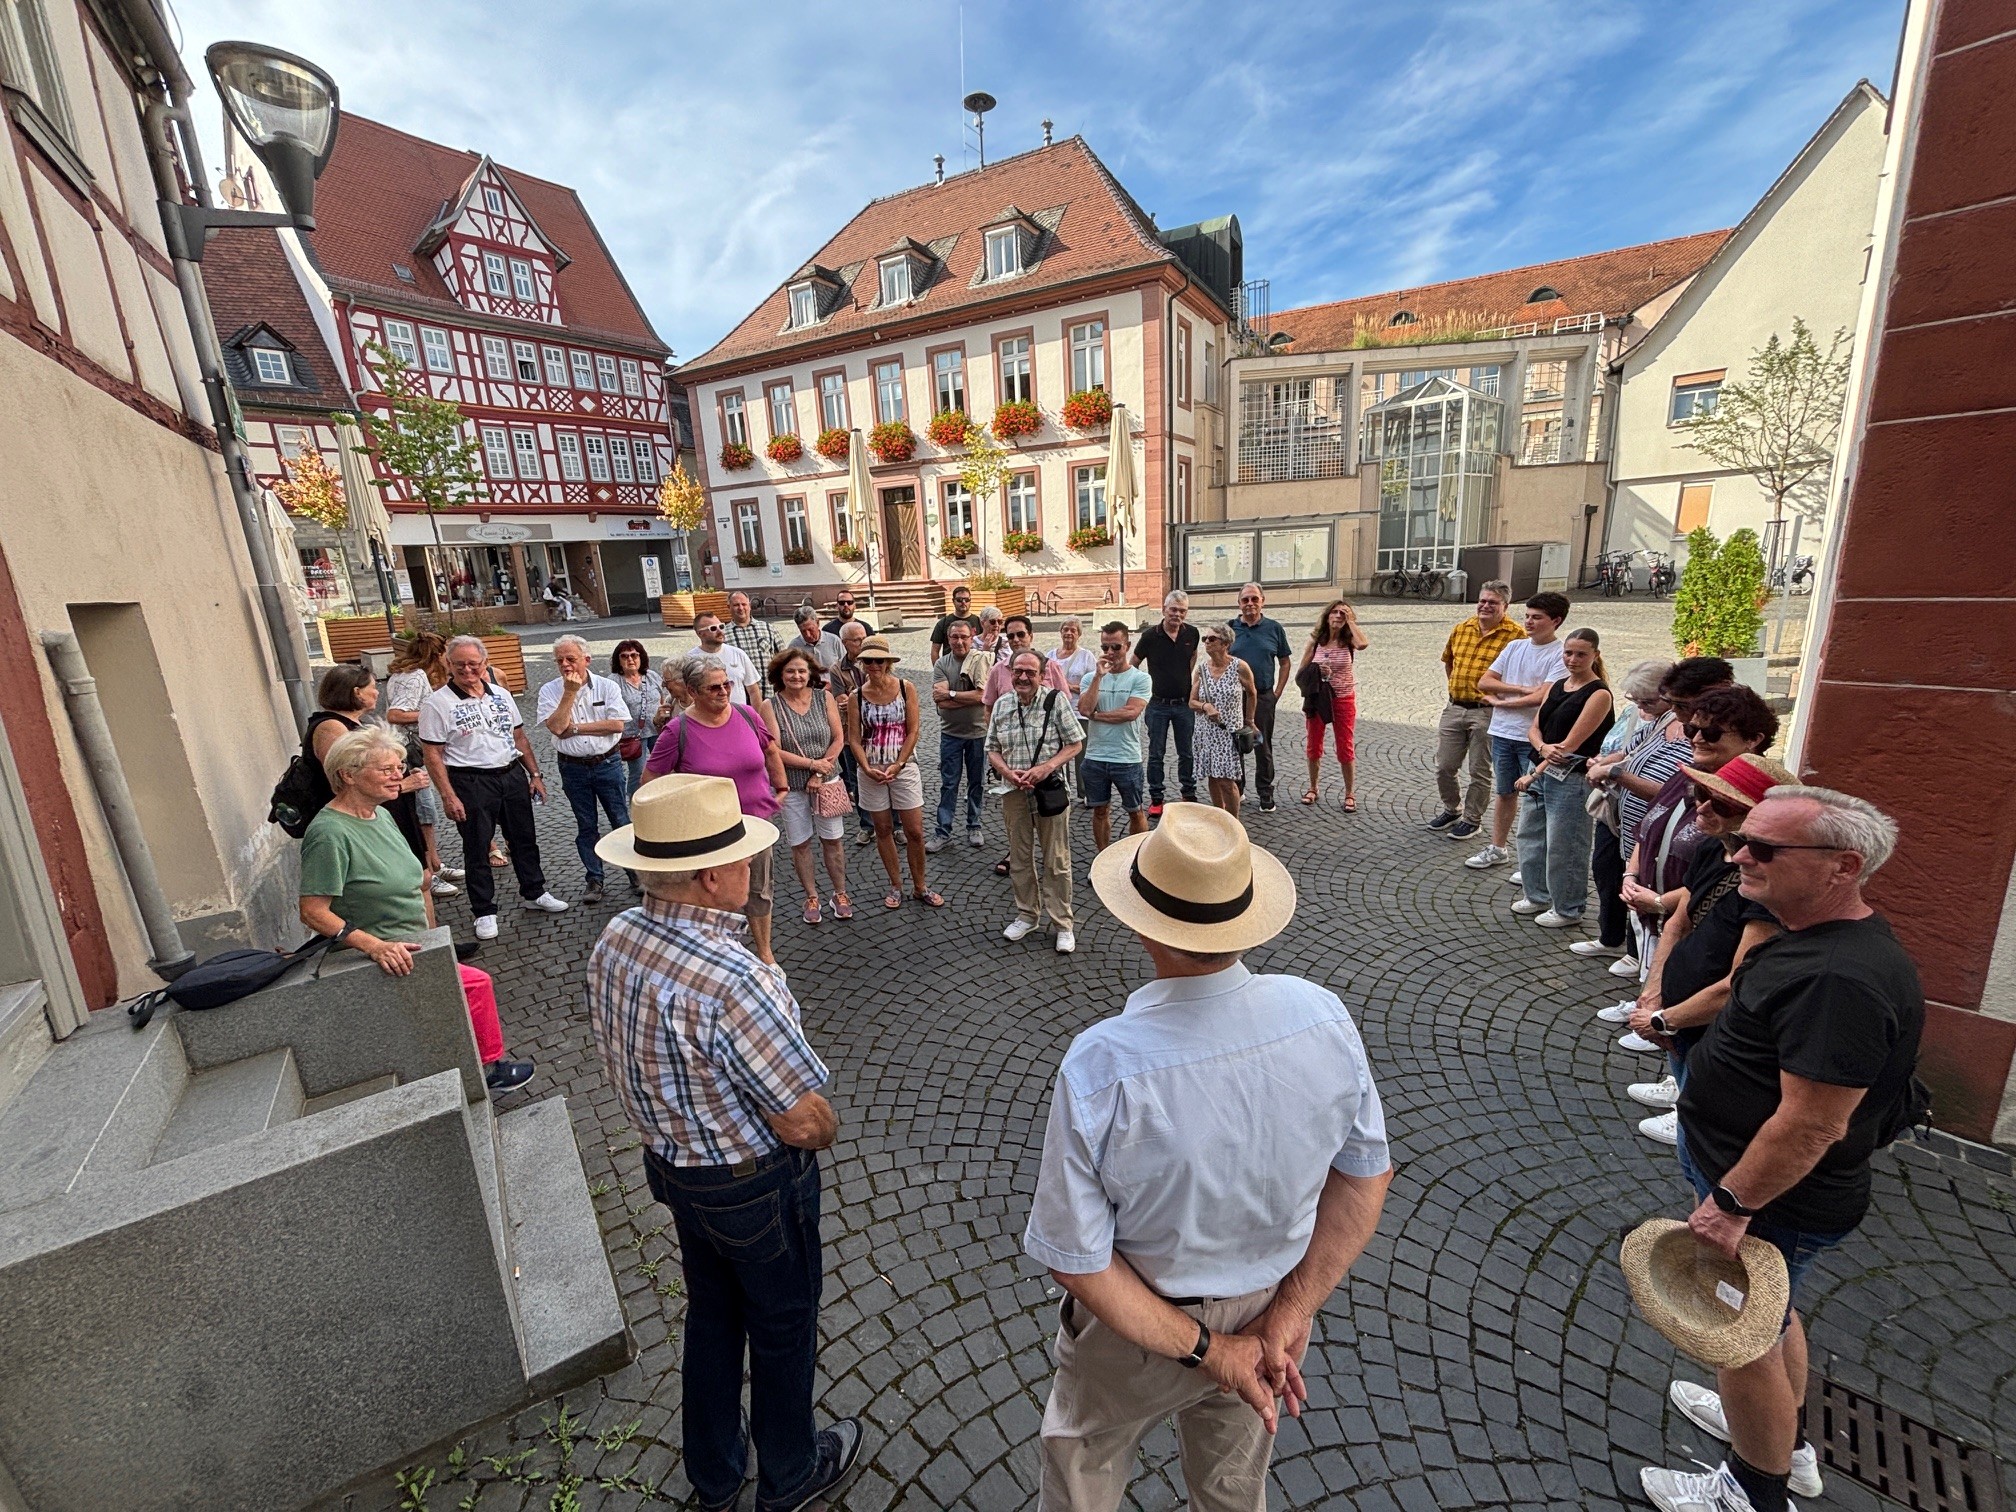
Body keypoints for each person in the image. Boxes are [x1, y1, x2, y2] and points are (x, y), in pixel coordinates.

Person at [1026, 803, 1393, 1510]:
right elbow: (1365, 1176)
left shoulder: (1103, 1064)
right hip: (1272, 1313)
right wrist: (1288, 1313)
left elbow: (1075, 1258)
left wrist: (1209, 1351)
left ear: (1140, 924)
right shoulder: (1322, 1015)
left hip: (1137, 1325)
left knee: (1085, 1474)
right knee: (1231, 1493)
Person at [586, 774, 861, 1512]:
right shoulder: (734, 978)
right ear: (710, 876)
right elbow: (803, 1120)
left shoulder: (617, 936)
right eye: (743, 857)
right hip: (752, 1182)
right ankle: (791, 1475)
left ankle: (714, 1473)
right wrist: (828, 1131)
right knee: (782, 1325)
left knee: (712, 1316)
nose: (752, 867)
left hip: (672, 1169)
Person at [1642, 788, 1922, 1512]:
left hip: (1770, 1199)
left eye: (1763, 848)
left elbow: (1812, 1125)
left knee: (1743, 1336)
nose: (1739, 857)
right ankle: (1786, 1446)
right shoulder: (1811, 938)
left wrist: (1731, 1204)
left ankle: (1753, 1491)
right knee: (1772, 1314)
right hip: (1756, 1188)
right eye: (1743, 842)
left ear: (1843, 866)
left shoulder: (1840, 978)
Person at [299, 728, 533, 1092]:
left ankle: (467, 1067)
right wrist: (375, 947)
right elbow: (313, 910)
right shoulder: (330, 833)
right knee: (475, 985)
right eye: (387, 770)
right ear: (348, 775)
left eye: (400, 767)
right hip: (385, 949)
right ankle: (488, 1070)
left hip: (413, 940)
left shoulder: (380, 815)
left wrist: (433, 930)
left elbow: (417, 880)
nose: (399, 776)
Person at [1625, 755, 1794, 1144]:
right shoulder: (1709, 849)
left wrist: (1664, 1020)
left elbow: (1737, 982)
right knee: (1685, 1076)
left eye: (1719, 803)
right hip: (1681, 1016)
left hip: (1714, 1028)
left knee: (1700, 1145)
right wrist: (1653, 997)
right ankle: (1681, 1092)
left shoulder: (1763, 883)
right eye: (1698, 793)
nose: (1699, 807)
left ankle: (1687, 1108)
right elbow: (1678, 924)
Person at [417, 636, 568, 941]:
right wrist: (448, 795)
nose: (467, 670)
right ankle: (484, 910)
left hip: (511, 774)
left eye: (474, 663)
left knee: (524, 838)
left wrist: (535, 774)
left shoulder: (500, 693)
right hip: (470, 781)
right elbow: (432, 754)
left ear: (485, 664)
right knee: (477, 846)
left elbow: (520, 737)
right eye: (460, 664)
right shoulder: (437, 703)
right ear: (449, 664)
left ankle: (534, 891)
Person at [646, 651, 788, 964]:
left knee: (760, 891)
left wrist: (781, 787)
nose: (724, 691)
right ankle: (722, 953)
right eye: (714, 687)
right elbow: (651, 781)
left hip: (756, 826)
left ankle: (764, 953)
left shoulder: (748, 714)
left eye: (727, 684)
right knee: (716, 894)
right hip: (711, 834)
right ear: (692, 692)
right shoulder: (677, 731)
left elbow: (770, 750)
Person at [1508, 626, 1613, 928]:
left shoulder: (1598, 694)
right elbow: (1534, 728)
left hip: (1571, 777)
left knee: (1564, 844)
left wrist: (1535, 771)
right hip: (1539, 768)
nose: (1573, 659)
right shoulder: (1556, 686)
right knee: (1530, 835)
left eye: (1581, 654)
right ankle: (1537, 894)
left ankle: (1568, 907)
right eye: (1568, 652)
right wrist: (1540, 748)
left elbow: (1570, 746)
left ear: (1595, 655)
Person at [988, 649, 1085, 953]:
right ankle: (1027, 915)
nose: (1023, 677)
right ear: (1011, 672)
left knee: (1056, 859)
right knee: (1019, 857)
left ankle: (1063, 924)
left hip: (1049, 791)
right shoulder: (1002, 704)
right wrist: (1006, 772)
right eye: (1018, 671)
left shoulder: (1055, 702)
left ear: (1042, 675)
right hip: (1013, 791)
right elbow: (991, 748)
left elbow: (1074, 743)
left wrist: (1044, 768)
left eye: (1030, 672)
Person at [1464, 591, 1569, 869]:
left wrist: (1502, 703)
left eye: (1537, 617)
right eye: (1527, 616)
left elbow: (1543, 697)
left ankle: (1534, 863)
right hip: (1503, 733)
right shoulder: (1514, 647)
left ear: (1556, 621)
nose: (1529, 622)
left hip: (1534, 738)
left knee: (1536, 799)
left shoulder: (1560, 655)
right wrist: (1520, 689)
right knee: (1505, 793)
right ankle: (1498, 848)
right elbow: (1485, 682)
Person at [1580, 659, 1674, 968]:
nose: (1643, 707)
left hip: (1649, 828)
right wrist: (1604, 762)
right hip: (1620, 818)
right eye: (1637, 701)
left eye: (1648, 701)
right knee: (1607, 873)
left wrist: (1616, 772)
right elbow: (1629, 750)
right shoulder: (1658, 721)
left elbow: (1672, 791)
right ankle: (1611, 937)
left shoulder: (1685, 729)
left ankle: (1638, 954)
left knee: (1637, 886)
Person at [846, 636, 942, 909]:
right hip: (871, 768)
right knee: (883, 829)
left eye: (879, 660)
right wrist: (866, 768)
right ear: (862, 664)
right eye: (868, 661)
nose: (874, 665)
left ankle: (920, 885)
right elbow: (854, 738)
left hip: (904, 765)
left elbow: (913, 730)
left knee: (914, 831)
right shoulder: (857, 696)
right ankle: (896, 885)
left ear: (888, 662)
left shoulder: (905, 687)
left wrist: (899, 764)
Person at [537, 635, 632, 904]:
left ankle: (635, 874)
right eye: (560, 661)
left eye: (571, 659)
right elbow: (556, 727)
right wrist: (569, 693)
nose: (566, 665)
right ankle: (594, 878)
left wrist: (575, 728)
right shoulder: (549, 691)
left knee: (620, 820)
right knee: (586, 824)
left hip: (608, 763)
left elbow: (617, 725)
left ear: (586, 660)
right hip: (573, 768)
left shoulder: (606, 686)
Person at [1427, 579, 1524, 841]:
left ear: (1506, 605)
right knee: (1444, 766)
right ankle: (1452, 809)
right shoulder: (1462, 628)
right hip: (1455, 707)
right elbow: (1449, 663)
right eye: (1482, 600)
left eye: (1492, 602)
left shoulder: (1516, 636)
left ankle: (1472, 819)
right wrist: (1457, 689)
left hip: (1487, 712)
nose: (1485, 606)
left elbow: (1522, 675)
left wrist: (1499, 697)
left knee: (1479, 770)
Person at [764, 647, 852, 926]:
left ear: (810, 673)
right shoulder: (770, 706)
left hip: (827, 780)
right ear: (780, 674)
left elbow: (838, 738)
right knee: (800, 843)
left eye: (802, 670)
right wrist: (812, 766)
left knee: (833, 840)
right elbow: (774, 750)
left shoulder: (824, 697)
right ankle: (811, 895)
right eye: (790, 671)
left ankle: (840, 893)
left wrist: (820, 771)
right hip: (791, 784)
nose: (797, 676)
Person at [384, 632, 462, 895]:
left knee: (424, 809)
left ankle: (434, 864)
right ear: (436, 654)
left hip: (410, 751)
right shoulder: (414, 676)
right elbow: (395, 714)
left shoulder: (412, 675)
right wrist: (433, 712)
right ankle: (428, 870)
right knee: (423, 810)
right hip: (409, 753)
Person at [1078, 622, 1151, 852]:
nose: (1110, 653)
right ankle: (1102, 858)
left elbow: (1131, 712)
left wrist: (1097, 715)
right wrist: (1099, 678)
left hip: (1127, 757)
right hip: (1095, 756)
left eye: (1116, 647)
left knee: (1135, 810)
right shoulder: (1090, 678)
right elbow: (1084, 709)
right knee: (1100, 811)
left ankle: (1136, 858)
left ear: (1127, 646)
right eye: (1105, 647)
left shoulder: (1140, 679)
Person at [1296, 599, 1368, 811]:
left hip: (1343, 698)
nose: (1338, 616)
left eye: (1343, 614)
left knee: (1345, 745)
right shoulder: (1316, 642)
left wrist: (1351, 622)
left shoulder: (1349, 642)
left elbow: (1363, 644)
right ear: (1327, 617)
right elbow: (1301, 674)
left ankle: (1349, 793)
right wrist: (1318, 671)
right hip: (1319, 698)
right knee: (1313, 743)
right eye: (1334, 613)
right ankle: (1313, 787)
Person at [929, 618, 993, 853]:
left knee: (977, 782)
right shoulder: (942, 664)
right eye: (954, 637)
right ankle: (943, 831)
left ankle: (974, 825)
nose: (959, 641)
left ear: (972, 636)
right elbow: (941, 704)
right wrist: (969, 696)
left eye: (963, 637)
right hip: (951, 734)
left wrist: (952, 694)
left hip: (978, 733)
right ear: (948, 639)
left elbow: (982, 697)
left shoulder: (981, 659)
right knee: (949, 783)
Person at [1228, 584, 1292, 813]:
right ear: (1239, 604)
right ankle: (1238, 787)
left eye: (1254, 599)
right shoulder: (1230, 628)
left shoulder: (1274, 628)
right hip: (1235, 699)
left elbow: (1285, 662)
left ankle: (1265, 792)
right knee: (1235, 745)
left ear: (1262, 601)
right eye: (1245, 600)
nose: (1250, 604)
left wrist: (1277, 693)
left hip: (1264, 697)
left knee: (1262, 745)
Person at [1134, 591, 1199, 814]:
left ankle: (1188, 793)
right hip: (1158, 704)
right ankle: (1156, 798)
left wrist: (1184, 679)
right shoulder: (1150, 636)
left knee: (1187, 752)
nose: (1177, 614)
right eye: (1173, 610)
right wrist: (1139, 690)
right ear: (1164, 610)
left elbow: (1192, 657)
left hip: (1183, 704)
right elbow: (1133, 664)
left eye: (1182, 611)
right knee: (1156, 753)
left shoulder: (1192, 633)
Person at [1190, 623, 1256, 820]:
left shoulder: (1239, 667)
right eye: (1205, 639)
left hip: (1228, 732)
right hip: (1206, 731)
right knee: (1213, 776)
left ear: (1225, 643)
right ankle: (1220, 817)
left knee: (1227, 780)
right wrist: (1205, 707)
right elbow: (1191, 702)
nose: (1207, 643)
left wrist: (1249, 720)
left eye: (1212, 639)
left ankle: (1233, 821)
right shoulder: (1201, 669)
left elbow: (1252, 693)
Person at [832, 622, 876, 848]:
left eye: (864, 637)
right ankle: (867, 826)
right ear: (844, 643)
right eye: (856, 640)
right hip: (852, 735)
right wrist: (862, 697)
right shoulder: (837, 669)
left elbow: (884, 693)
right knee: (858, 782)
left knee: (889, 777)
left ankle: (896, 825)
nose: (862, 642)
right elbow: (842, 703)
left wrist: (855, 698)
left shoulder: (877, 662)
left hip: (878, 733)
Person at [610, 639, 669, 793]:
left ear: (641, 657)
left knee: (664, 769)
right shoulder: (614, 681)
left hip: (657, 730)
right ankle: (635, 805)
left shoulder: (651, 676)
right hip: (633, 736)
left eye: (634, 655)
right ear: (619, 660)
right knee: (638, 773)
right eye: (625, 656)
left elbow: (663, 699)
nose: (630, 659)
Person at [695, 610, 763, 705]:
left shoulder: (738, 654)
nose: (719, 631)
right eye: (713, 628)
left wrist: (755, 718)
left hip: (739, 716)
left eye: (721, 626)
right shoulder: (691, 659)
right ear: (700, 633)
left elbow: (754, 690)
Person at [722, 590, 779, 666]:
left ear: (749, 606)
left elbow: (784, 656)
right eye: (736, 605)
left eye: (744, 604)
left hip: (766, 678)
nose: (741, 608)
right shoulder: (723, 634)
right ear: (729, 607)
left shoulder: (768, 628)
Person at [787, 604, 844, 674]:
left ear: (817, 622)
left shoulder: (834, 641)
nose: (808, 635)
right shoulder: (794, 646)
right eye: (803, 631)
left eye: (811, 629)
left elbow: (845, 666)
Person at [929, 584, 981, 661]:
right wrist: (939, 670)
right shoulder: (943, 623)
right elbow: (935, 650)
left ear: (970, 601)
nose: (963, 602)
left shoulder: (978, 621)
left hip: (973, 666)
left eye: (966, 600)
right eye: (959, 600)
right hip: (950, 667)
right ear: (953, 601)